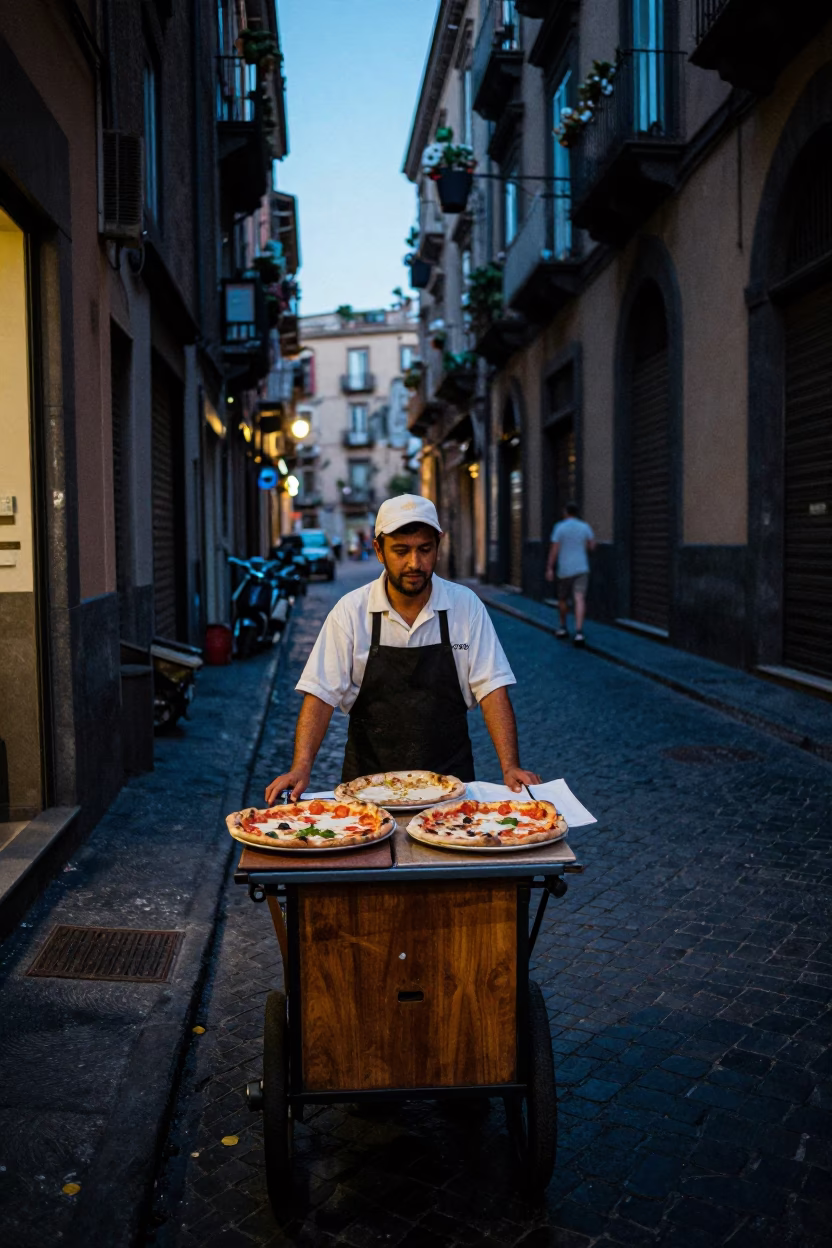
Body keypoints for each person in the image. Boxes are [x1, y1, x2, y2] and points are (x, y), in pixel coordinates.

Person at [265, 494, 540, 802]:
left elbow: (492, 689)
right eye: (401, 551)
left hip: (450, 788)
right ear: (379, 550)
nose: (414, 563)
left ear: (438, 544)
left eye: (424, 549)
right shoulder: (351, 611)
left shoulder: (465, 606)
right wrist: (301, 768)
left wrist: (510, 765)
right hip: (367, 790)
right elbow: (320, 694)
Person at [545, 502, 596, 647]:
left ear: (566, 513)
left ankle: (563, 627)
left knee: (562, 599)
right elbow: (592, 545)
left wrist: (549, 568)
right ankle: (579, 632)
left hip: (565, 570)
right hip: (581, 568)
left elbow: (554, 549)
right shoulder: (585, 527)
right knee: (580, 598)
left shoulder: (559, 528)